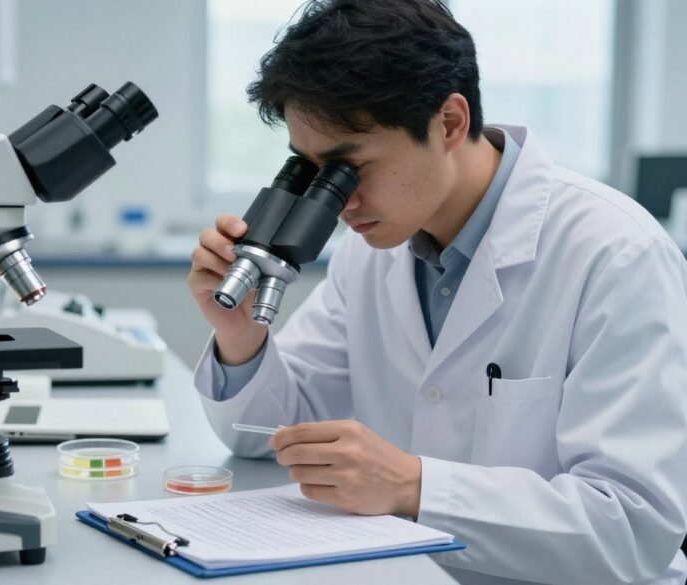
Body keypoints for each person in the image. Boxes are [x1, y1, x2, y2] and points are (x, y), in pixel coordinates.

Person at [187, 1, 687, 584]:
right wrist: (241, 335)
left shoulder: (616, 253)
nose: (340, 203)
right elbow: (270, 437)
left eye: (351, 168)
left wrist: (414, 487)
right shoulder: (373, 250)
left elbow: (633, 526)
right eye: (315, 172)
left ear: (449, 122)